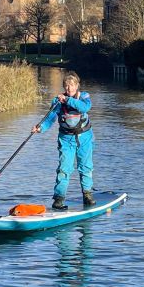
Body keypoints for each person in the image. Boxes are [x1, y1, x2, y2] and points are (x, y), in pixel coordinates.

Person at [32, 71, 95, 210]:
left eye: (72, 85)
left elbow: (84, 108)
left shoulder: (84, 97)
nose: (69, 89)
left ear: (77, 86)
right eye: (67, 86)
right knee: (64, 168)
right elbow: (50, 118)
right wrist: (40, 128)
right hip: (66, 139)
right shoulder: (57, 101)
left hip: (84, 138)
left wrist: (67, 100)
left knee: (85, 167)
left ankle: (87, 195)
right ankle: (58, 199)